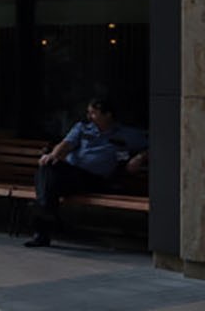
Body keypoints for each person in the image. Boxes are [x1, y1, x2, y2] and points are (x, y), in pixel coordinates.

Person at [25, 98, 148, 248]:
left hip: (94, 179)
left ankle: (43, 229)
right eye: (88, 113)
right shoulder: (82, 128)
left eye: (94, 113)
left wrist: (140, 157)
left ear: (108, 115)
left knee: (47, 185)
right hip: (72, 173)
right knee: (47, 168)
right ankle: (47, 216)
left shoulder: (126, 134)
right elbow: (65, 144)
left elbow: (154, 144)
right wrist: (53, 155)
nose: (89, 117)